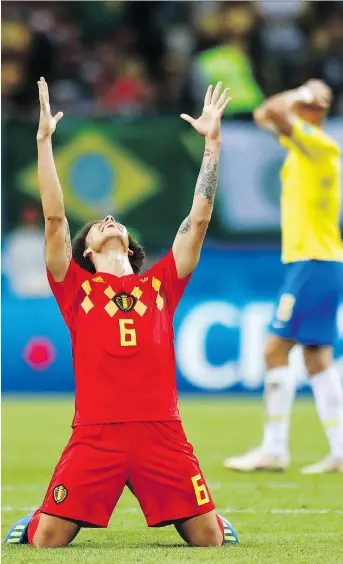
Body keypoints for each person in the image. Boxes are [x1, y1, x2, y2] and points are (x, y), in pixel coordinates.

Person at [5, 78, 238, 547]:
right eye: (95, 226)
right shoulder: (76, 289)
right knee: (46, 540)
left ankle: (210, 516)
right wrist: (44, 142)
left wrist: (212, 143)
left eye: (114, 222)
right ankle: (37, 517)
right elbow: (54, 217)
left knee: (210, 542)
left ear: (131, 246)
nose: (107, 222)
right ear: (86, 251)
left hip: (162, 434)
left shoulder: (161, 286)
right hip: (95, 437)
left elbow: (199, 220)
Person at [224, 79, 343, 475]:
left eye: (308, 107)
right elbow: (263, 115)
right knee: (317, 359)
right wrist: (303, 95)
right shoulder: (304, 145)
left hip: (312, 261)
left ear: (314, 112)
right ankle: (341, 451)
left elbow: (274, 111)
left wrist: (301, 94)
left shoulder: (319, 144)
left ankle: (274, 448)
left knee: (275, 351)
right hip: (320, 263)